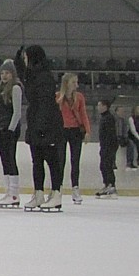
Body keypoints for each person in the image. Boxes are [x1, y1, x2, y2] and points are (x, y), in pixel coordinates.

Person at [15, 45, 64, 212]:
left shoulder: (44, 77)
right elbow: (22, 74)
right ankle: (38, 193)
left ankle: (56, 193)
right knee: (37, 160)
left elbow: (45, 103)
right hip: (35, 120)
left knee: (51, 159)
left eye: (27, 57)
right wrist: (18, 59)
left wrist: (41, 125)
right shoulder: (33, 75)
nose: (25, 60)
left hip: (47, 122)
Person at [56, 72, 91, 204]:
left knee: (75, 161)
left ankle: (75, 188)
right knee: (60, 160)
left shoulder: (79, 97)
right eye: (73, 82)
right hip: (61, 131)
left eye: (76, 82)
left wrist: (87, 131)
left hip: (75, 131)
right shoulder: (58, 97)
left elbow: (83, 114)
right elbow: (54, 117)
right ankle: (57, 188)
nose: (76, 84)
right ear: (66, 83)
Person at [0, 59, 23, 208]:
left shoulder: (16, 88)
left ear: (13, 74)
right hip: (2, 128)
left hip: (10, 129)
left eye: (7, 73)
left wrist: (10, 130)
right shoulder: (1, 88)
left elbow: (17, 112)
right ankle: (8, 191)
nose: (4, 76)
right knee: (5, 159)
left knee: (10, 159)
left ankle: (14, 193)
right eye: (2, 73)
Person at [95, 99, 119, 198]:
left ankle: (111, 186)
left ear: (105, 106)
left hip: (109, 146)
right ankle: (107, 184)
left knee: (107, 165)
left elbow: (110, 134)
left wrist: (107, 146)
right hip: (105, 145)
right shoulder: (105, 117)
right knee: (103, 165)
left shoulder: (108, 118)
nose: (98, 107)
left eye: (99, 105)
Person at [115, 106, 136, 171]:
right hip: (115, 137)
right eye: (120, 111)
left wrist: (125, 137)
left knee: (131, 143)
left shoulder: (124, 120)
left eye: (123, 111)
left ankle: (129, 163)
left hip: (123, 138)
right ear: (116, 112)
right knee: (112, 146)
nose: (122, 112)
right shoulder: (114, 120)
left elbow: (126, 130)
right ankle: (112, 163)